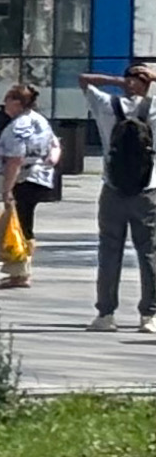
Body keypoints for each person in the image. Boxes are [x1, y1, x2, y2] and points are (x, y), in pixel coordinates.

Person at [87, 61, 156, 330]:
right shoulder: (153, 109)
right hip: (147, 188)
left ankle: (106, 314)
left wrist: (118, 82)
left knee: (109, 251)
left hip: (112, 188)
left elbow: (83, 80)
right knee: (148, 251)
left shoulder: (107, 105)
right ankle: (149, 314)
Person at [0, 81, 60, 291]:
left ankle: (20, 273)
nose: (4, 105)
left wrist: (7, 188)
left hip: (24, 179)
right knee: (24, 223)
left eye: (8, 100)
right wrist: (50, 162)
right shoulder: (40, 121)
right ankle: (19, 271)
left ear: (18, 103)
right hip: (40, 177)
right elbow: (55, 146)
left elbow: (16, 159)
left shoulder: (19, 126)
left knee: (19, 225)